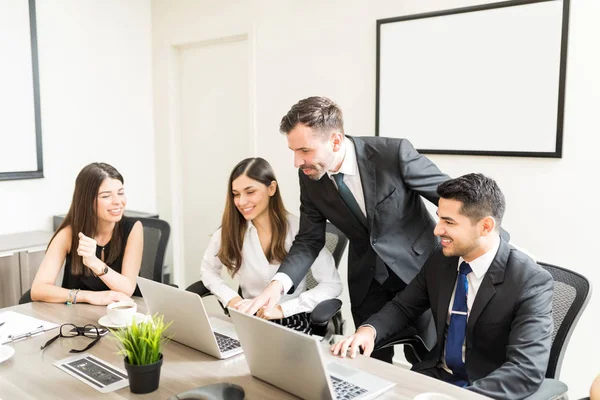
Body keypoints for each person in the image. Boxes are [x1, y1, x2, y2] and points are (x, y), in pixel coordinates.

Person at [236, 96, 450, 361]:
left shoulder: (392, 155)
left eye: (304, 150)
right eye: (293, 151)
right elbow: (308, 241)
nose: (296, 161)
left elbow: (452, 199)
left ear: (335, 141)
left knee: (427, 363)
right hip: (368, 282)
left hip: (418, 275)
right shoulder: (311, 178)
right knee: (370, 364)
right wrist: (276, 287)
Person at [331, 173, 553, 400]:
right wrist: (369, 331)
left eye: (449, 222)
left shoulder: (530, 280)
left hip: (486, 390)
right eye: (439, 219)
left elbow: (526, 369)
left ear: (485, 226)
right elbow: (403, 306)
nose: (437, 230)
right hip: (436, 378)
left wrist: (459, 398)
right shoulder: (442, 258)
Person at [201, 157, 342, 334]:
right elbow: (208, 271)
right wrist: (232, 300)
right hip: (249, 318)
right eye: (236, 194)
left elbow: (332, 284)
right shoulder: (229, 231)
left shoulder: (301, 231)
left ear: (271, 188)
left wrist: (283, 309)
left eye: (250, 192)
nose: (241, 202)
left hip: (291, 318)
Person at [30, 162, 143, 305]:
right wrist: (88, 296)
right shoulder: (68, 234)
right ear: (87, 201)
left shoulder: (133, 228)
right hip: (80, 319)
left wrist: (94, 262)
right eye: (106, 196)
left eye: (120, 193)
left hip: (124, 315)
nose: (118, 202)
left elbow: (127, 288)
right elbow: (38, 289)